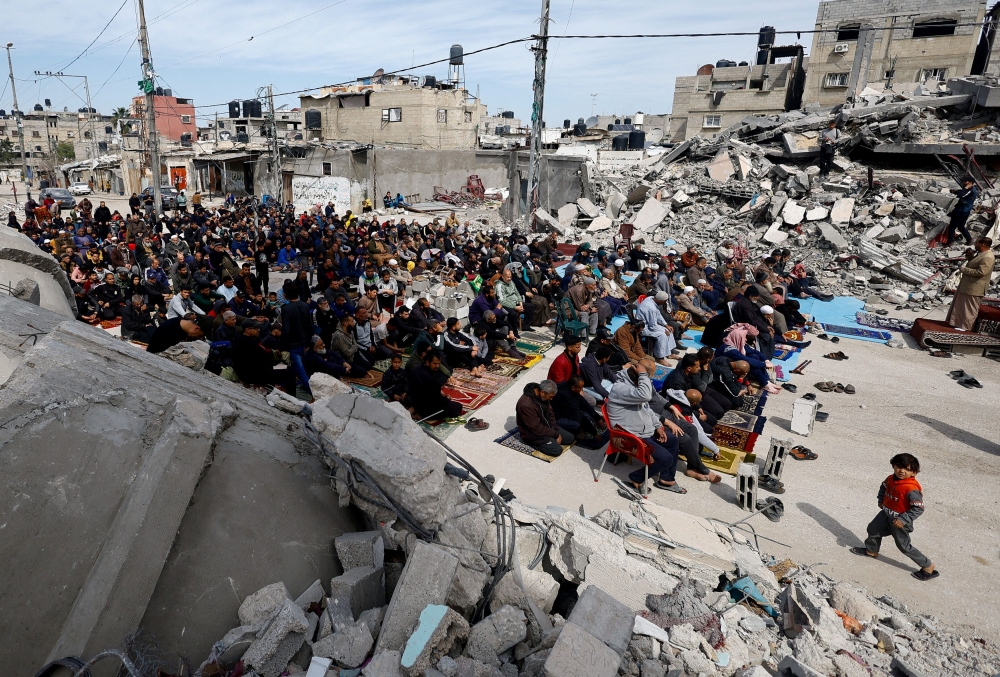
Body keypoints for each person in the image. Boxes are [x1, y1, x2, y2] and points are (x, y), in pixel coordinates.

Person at [852, 453, 938, 581]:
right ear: (893, 466)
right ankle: (871, 550)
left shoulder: (911, 488)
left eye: (907, 469)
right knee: (873, 529)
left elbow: (918, 508)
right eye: (899, 467)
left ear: (914, 473)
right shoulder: (890, 479)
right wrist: (881, 500)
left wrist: (903, 519)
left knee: (904, 546)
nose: (902, 471)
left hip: (900, 522)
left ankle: (928, 566)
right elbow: (883, 488)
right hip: (886, 514)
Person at [606, 360, 685, 494]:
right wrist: (643, 374)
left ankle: (667, 479)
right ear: (639, 379)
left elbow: (647, 409)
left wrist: (657, 426)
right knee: (666, 459)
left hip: (642, 431)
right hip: (630, 435)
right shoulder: (621, 389)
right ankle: (636, 478)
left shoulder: (634, 387)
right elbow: (646, 395)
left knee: (672, 440)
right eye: (646, 379)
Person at [515, 380, 575, 457]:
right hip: (532, 434)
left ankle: (549, 439)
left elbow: (551, 414)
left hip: (546, 426)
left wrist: (554, 429)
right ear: (542, 392)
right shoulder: (526, 405)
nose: (551, 399)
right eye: (550, 397)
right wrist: (555, 434)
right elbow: (536, 428)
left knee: (570, 438)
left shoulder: (543, 396)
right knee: (557, 450)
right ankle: (531, 443)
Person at [946, 238, 994, 331]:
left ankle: (966, 327)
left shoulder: (988, 257)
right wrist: (970, 257)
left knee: (969, 308)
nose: (975, 245)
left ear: (982, 244)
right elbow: (974, 264)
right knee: (962, 306)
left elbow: (981, 272)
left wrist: (964, 269)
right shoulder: (981, 254)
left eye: (976, 243)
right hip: (968, 285)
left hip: (975, 288)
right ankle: (959, 324)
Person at [551, 376, 609, 449]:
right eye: (580, 388)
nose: (582, 390)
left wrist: (597, 418)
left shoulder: (569, 387)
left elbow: (584, 403)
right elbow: (577, 414)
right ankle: (575, 433)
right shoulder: (564, 395)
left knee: (587, 415)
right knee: (577, 424)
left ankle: (583, 429)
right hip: (558, 418)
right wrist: (594, 433)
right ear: (573, 388)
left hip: (568, 412)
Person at [280, 284, 314, 397]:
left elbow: (286, 330)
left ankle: (313, 393)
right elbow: (310, 325)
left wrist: (282, 346)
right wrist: (308, 341)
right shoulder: (304, 305)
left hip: (293, 345)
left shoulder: (286, 308)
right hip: (303, 342)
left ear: (285, 295)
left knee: (300, 371)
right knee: (301, 368)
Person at [408, 349, 462, 420]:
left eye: (438, 364)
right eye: (435, 363)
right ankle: (421, 415)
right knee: (457, 407)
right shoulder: (429, 377)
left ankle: (415, 409)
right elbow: (436, 399)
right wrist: (446, 400)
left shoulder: (418, 368)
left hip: (414, 400)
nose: (437, 366)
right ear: (427, 362)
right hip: (424, 405)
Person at [636, 291, 677, 365]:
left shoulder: (651, 298)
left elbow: (658, 315)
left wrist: (666, 325)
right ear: (661, 301)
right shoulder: (651, 308)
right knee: (663, 335)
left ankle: (668, 353)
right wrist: (664, 329)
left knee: (669, 330)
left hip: (650, 325)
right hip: (644, 328)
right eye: (664, 301)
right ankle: (660, 358)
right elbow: (653, 327)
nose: (665, 303)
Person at [946, 177, 978, 245]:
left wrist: (965, 188)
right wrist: (955, 192)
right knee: (961, 226)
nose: (963, 183)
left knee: (952, 226)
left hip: (961, 211)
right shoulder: (970, 189)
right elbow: (961, 193)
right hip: (965, 211)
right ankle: (969, 239)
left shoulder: (971, 190)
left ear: (970, 182)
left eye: (964, 181)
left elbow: (961, 195)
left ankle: (950, 242)